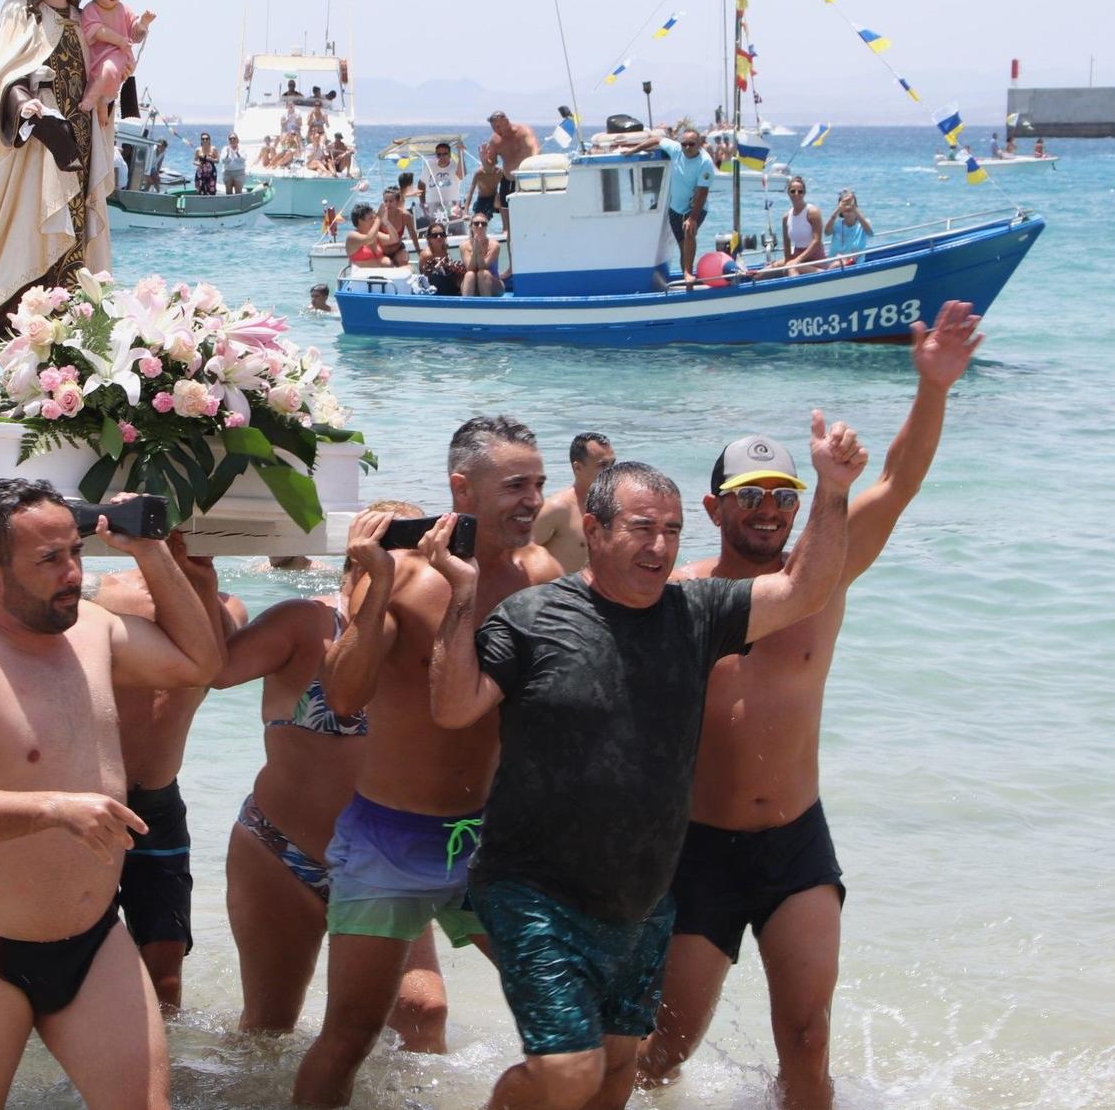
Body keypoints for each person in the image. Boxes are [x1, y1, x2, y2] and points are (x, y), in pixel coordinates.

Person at [424, 422, 866, 1110]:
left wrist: (833, 490)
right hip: (535, 887)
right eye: (641, 528)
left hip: (642, 898)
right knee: (568, 1069)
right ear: (594, 529)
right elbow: (453, 709)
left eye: (672, 530)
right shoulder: (534, 616)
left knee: (615, 1074)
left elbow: (807, 587)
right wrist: (459, 594)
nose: (659, 546)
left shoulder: (698, 613)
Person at [640, 304, 985, 1108]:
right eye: (750, 495)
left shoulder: (821, 574)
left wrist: (931, 386)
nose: (769, 511)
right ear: (714, 504)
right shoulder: (677, 595)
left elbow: (896, 481)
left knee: (807, 1045)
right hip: (699, 851)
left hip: (797, 843)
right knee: (665, 1050)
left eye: (783, 497)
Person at [0, 479, 225, 1109]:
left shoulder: (95, 632)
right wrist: (51, 808)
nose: (72, 573)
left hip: (93, 939)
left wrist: (152, 553)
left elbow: (199, 664)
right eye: (49, 561)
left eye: (74, 552)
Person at [291, 417, 563, 1108]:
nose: (532, 499)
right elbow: (345, 698)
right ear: (461, 488)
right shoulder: (405, 574)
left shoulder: (542, 576)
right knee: (350, 1033)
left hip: (493, 840)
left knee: (567, 1024)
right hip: (391, 836)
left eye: (538, 483)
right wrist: (374, 584)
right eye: (515, 486)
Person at [214, 506, 450, 1049]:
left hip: (383, 863)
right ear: (359, 557)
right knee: (268, 1031)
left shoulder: (426, 642)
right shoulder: (305, 622)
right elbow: (216, 671)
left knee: (423, 1012)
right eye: (398, 553)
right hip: (280, 854)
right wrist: (199, 570)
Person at [95, 553, 247, 1009]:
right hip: (94, 799)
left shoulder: (225, 604)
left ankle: (163, 1076)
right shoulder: (104, 593)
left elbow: (219, 672)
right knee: (75, 963)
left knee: (166, 982)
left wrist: (200, 574)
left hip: (160, 805)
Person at [0, 0, 114, 354]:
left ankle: (75, 345)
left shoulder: (82, 19)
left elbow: (103, 69)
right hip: (40, 147)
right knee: (36, 231)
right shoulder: (22, 13)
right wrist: (28, 106)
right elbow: (2, 78)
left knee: (78, 233)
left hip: (82, 139)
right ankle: (21, 339)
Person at [79, 0, 155, 127]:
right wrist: (119, 40)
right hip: (98, 56)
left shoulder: (124, 10)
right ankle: (100, 102)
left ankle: (97, 100)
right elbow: (95, 29)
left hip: (121, 55)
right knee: (106, 71)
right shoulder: (91, 9)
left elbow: (135, 33)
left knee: (109, 71)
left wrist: (143, 23)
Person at [532, 432, 616, 575]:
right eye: (602, 465)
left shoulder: (615, 507)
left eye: (612, 464)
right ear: (578, 468)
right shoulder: (558, 509)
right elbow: (520, 555)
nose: (611, 472)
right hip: (560, 595)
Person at [670, 130, 716, 281]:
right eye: (684, 144)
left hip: (696, 207)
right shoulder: (676, 150)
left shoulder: (705, 162)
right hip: (675, 208)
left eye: (692, 144)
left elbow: (703, 191)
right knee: (683, 246)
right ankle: (687, 279)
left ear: (699, 144)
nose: (688, 147)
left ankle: (688, 273)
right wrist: (633, 150)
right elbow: (657, 140)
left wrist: (693, 218)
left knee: (689, 231)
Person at [482, 111, 541, 220]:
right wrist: (484, 159)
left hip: (527, 180)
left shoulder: (524, 131)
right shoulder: (495, 140)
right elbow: (489, 167)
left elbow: (536, 150)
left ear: (506, 121)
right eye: (493, 128)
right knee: (508, 223)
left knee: (530, 216)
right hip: (508, 182)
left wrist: (531, 168)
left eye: (498, 126)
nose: (496, 130)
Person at [782, 176, 826, 266]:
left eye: (800, 191)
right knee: (767, 271)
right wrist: (788, 262)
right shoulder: (786, 217)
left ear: (804, 193)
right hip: (797, 256)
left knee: (792, 269)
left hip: (815, 258)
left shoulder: (812, 212)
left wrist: (797, 260)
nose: (796, 194)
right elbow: (786, 246)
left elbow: (817, 241)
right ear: (788, 193)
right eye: (793, 191)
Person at [341, 202, 396, 268]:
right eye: (370, 218)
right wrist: (378, 218)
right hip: (362, 277)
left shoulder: (375, 234)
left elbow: (394, 239)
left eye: (374, 218)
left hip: (384, 275)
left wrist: (386, 221)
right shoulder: (352, 236)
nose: (374, 220)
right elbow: (369, 239)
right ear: (360, 220)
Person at [419, 222, 467, 296]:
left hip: (448, 285)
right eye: (435, 235)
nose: (439, 237)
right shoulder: (427, 254)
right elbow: (425, 276)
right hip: (436, 289)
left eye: (442, 234)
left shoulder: (444, 250)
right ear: (429, 238)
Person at [421, 140, 466, 219]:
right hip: (433, 206)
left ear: (450, 155)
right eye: (439, 154)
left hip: (452, 206)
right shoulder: (430, 166)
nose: (442, 157)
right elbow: (421, 184)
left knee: (455, 229)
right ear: (436, 156)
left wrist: (460, 153)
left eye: (445, 154)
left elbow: (461, 175)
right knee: (435, 230)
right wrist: (423, 203)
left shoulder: (455, 166)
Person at [461, 213, 502, 296]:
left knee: (483, 273)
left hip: (493, 286)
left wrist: (477, 250)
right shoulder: (464, 246)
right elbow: (470, 268)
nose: (480, 226)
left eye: (483, 224)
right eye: (476, 223)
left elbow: (482, 267)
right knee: (469, 275)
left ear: (486, 227)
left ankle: (487, 306)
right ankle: (466, 306)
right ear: (471, 226)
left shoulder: (494, 245)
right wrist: (475, 250)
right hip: (473, 286)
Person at [377, 185, 418, 266]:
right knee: (388, 264)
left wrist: (418, 250)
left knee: (403, 260)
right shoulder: (378, 215)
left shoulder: (405, 216)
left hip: (398, 250)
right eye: (385, 201)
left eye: (391, 201)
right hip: (382, 251)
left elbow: (412, 234)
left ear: (398, 201)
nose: (388, 204)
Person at [825, 190, 873, 259]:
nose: (848, 206)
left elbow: (870, 233)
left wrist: (854, 209)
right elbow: (827, 232)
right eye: (845, 203)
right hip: (834, 265)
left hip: (853, 265)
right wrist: (838, 209)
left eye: (850, 203)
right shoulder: (836, 225)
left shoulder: (863, 224)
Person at [467, 144, 502, 218]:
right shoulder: (479, 174)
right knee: (478, 221)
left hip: (494, 200)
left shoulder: (499, 172)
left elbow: (508, 186)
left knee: (498, 200)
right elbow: (470, 193)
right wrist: (465, 211)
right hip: (482, 200)